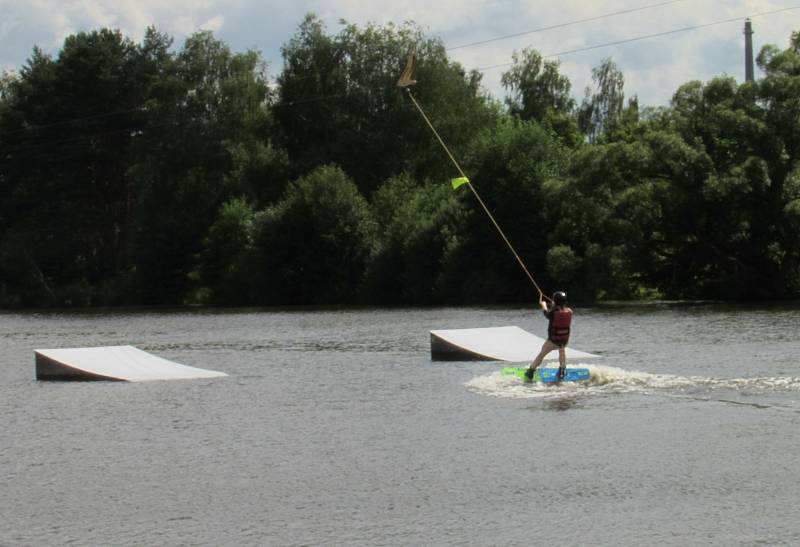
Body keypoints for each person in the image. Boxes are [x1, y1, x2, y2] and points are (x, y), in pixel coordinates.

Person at [525, 291, 572, 382]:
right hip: (564, 340)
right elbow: (559, 311)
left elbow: (547, 314)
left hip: (553, 341)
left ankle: (531, 371)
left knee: (542, 354)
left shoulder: (553, 312)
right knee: (562, 351)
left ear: (555, 301)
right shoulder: (569, 311)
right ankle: (562, 370)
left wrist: (543, 306)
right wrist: (555, 305)